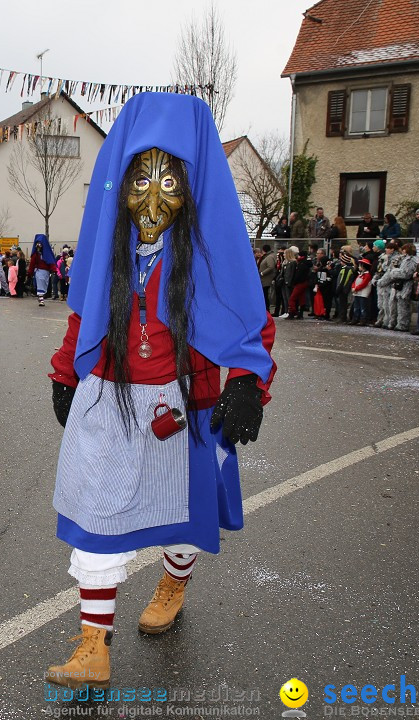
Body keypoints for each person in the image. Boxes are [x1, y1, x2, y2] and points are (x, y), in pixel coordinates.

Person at [43, 94, 275, 691]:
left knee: (182, 518)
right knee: (95, 516)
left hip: (184, 407)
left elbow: (249, 321)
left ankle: (174, 581)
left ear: (193, 184)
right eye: (139, 177)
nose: (152, 198)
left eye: (169, 179)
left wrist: (248, 383)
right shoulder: (109, 252)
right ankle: (94, 644)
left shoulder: (209, 254)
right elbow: (84, 316)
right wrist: (66, 372)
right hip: (110, 401)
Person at [384, 241, 418, 331]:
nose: (402, 251)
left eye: (404, 249)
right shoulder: (404, 259)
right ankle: (396, 323)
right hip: (400, 285)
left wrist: (394, 272)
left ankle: (403, 324)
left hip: (406, 285)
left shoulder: (411, 260)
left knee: (403, 306)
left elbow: (406, 273)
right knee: (396, 305)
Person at [30, 234, 58, 307]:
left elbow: (51, 262)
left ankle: (41, 297)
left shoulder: (47, 253)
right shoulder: (35, 254)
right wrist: (30, 272)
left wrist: (54, 270)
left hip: (46, 272)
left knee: (44, 285)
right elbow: (32, 263)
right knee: (40, 284)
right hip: (39, 271)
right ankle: (41, 299)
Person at [349, 258, 373, 324]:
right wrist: (353, 287)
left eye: (360, 266)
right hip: (357, 292)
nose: (359, 267)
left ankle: (363, 319)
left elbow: (364, 284)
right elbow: (355, 282)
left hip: (363, 293)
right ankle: (355, 318)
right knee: (356, 307)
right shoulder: (360, 274)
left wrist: (355, 288)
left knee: (363, 307)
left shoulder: (367, 275)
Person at [257, 245, 277, 310]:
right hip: (264, 279)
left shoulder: (269, 257)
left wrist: (262, 273)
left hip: (266, 279)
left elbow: (271, 267)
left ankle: (267, 309)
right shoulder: (268, 256)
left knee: (265, 295)